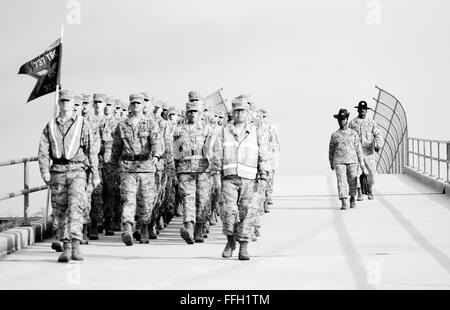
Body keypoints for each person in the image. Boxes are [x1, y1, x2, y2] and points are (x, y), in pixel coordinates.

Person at [38, 89, 99, 262]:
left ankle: (76, 245)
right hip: (57, 172)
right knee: (60, 211)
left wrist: (94, 174)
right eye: (62, 101)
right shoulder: (50, 126)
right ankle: (65, 246)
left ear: (74, 104)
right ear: (59, 103)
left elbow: (91, 151)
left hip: (77, 171)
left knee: (76, 207)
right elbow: (43, 151)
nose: (65, 104)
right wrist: (44, 170)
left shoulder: (82, 124)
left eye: (68, 101)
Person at [215, 97, 270, 260]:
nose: (239, 113)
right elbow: (217, 154)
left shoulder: (256, 131)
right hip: (229, 178)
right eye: (236, 110)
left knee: (247, 213)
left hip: (249, 180)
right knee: (228, 212)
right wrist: (215, 175)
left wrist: (264, 175)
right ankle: (230, 241)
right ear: (233, 112)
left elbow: (263, 154)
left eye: (242, 110)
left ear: (248, 113)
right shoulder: (224, 131)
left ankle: (243, 246)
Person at [111, 93, 163, 245]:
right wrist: (114, 166)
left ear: (143, 106)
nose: (135, 106)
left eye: (138, 104)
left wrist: (156, 156)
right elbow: (116, 147)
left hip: (146, 167)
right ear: (129, 105)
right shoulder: (122, 125)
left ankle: (144, 227)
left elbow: (156, 143)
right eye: (133, 103)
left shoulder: (150, 123)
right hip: (128, 168)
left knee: (146, 202)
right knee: (128, 199)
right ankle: (127, 227)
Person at [173, 99, 216, 244]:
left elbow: (212, 150)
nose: (192, 114)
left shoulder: (207, 129)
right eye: (189, 112)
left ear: (199, 113)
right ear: (186, 113)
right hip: (185, 168)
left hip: (203, 169)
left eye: (195, 111)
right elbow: (175, 151)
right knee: (188, 199)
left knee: (203, 199)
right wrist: (175, 170)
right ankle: (189, 228)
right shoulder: (179, 130)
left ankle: (199, 228)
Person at [328, 108, 366, 210]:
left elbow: (359, 149)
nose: (341, 121)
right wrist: (331, 162)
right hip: (339, 161)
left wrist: (361, 162)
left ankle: (352, 197)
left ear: (347, 119)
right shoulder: (334, 135)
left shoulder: (353, 133)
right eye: (340, 119)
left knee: (353, 180)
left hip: (352, 161)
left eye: (343, 119)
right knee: (341, 181)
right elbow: (331, 150)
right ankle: (344, 201)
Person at [348, 101, 384, 200]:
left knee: (372, 173)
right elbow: (348, 136)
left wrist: (378, 145)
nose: (362, 110)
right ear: (358, 110)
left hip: (368, 152)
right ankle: (359, 192)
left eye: (364, 108)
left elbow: (378, 134)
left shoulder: (371, 122)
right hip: (356, 152)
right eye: (361, 108)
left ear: (366, 110)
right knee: (356, 173)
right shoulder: (352, 123)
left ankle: (370, 190)